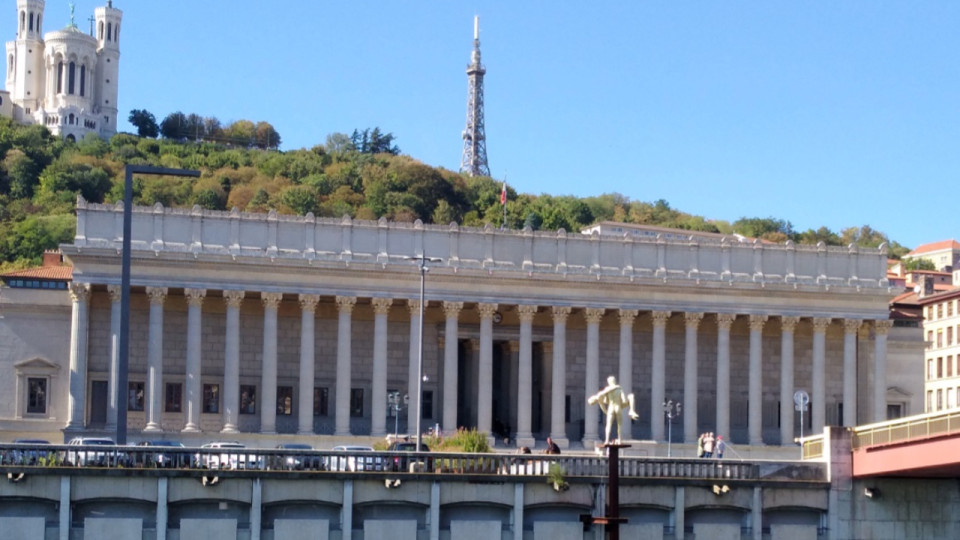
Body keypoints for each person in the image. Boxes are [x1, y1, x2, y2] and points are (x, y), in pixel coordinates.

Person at [587, 375, 640, 444]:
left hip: (611, 408)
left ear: (609, 382)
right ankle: (620, 440)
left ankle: (606, 440)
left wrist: (604, 410)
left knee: (608, 425)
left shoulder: (606, 390)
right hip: (618, 407)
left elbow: (604, 402)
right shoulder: (619, 389)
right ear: (615, 381)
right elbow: (624, 400)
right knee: (619, 425)